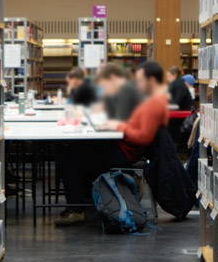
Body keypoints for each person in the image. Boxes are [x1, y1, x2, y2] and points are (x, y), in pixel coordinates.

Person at [54, 61, 169, 226]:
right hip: (119, 145)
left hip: (124, 152)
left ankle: (76, 209)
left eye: (104, 85)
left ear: (113, 78)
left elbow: (142, 137)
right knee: (73, 149)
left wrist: (116, 125)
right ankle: (86, 198)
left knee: (67, 157)